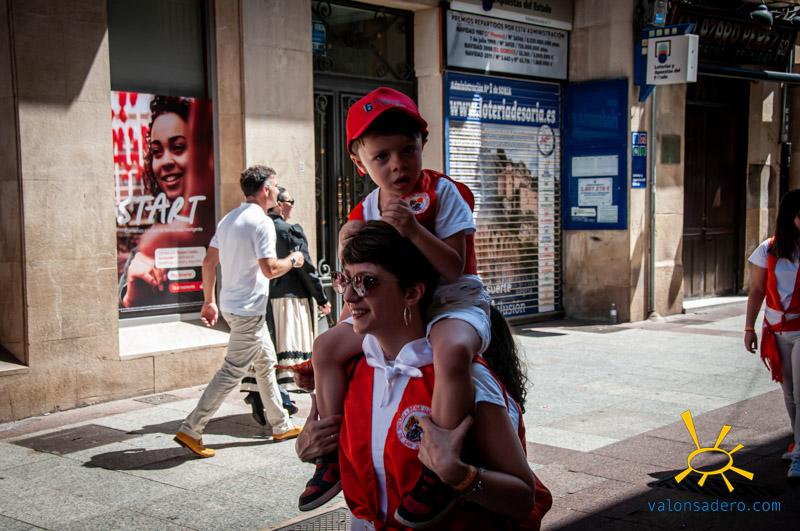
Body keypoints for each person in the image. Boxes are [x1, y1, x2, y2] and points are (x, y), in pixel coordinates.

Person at [302, 87, 492, 526]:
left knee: (451, 350)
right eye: (382, 156)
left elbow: (454, 266)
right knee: (326, 347)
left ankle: (437, 469)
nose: (398, 165)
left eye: (408, 150)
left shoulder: (444, 192)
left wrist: (412, 230)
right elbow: (359, 280)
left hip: (453, 300)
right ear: (360, 163)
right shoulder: (365, 209)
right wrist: (347, 318)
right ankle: (329, 452)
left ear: (423, 143)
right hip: (397, 308)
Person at [296, 222, 551, 529]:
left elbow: (523, 498)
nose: (350, 295)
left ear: (412, 292)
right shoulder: (352, 370)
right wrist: (314, 447)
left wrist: (461, 476)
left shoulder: (465, 380)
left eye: (367, 282)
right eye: (346, 280)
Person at [173, 165, 304, 457]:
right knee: (232, 370)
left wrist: (209, 301)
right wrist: (294, 259)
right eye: (275, 185)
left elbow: (208, 263)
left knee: (266, 363)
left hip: (234, 307)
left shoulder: (229, 219)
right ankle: (192, 428)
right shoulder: (261, 223)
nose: (277, 191)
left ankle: (281, 424)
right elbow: (270, 269)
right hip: (248, 311)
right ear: (266, 189)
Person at [242, 187, 332, 422]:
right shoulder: (288, 230)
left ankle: (258, 395)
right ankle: (281, 398)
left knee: (267, 351)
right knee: (284, 352)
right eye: (290, 200)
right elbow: (306, 269)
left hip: (261, 298)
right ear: (279, 204)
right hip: (289, 299)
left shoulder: (256, 229)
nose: (292, 205)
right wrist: (321, 298)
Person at [118, 95, 215, 309]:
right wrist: (131, 297)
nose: (166, 161)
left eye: (178, 147)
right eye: (157, 152)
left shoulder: (218, 230)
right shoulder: (147, 249)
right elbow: (122, 308)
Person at [745, 189, 800, 480]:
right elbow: (756, 290)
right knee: (789, 394)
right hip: (776, 330)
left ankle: (799, 454)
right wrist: (748, 327)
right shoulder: (768, 249)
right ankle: (797, 442)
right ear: (790, 216)